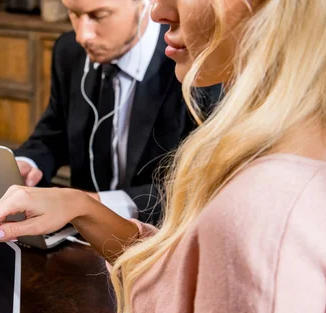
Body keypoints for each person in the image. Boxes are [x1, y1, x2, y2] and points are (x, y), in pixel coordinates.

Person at [0, 0, 326, 313]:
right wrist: (81, 206)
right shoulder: (303, 153)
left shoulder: (260, 213)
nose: (158, 10)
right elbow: (190, 279)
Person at [14, 0, 220, 223]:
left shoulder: (196, 63)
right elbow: (54, 134)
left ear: (144, 5)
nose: (83, 36)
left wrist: (88, 204)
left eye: (99, 16)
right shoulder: (69, 52)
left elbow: (200, 188)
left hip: (162, 236)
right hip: (85, 235)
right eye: (73, 14)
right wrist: (28, 163)